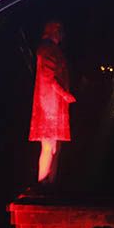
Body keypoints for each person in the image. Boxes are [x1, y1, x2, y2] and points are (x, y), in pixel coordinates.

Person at [29, 20, 75, 183]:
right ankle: (43, 183)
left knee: (53, 147)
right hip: (49, 104)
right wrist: (64, 94)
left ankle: (48, 182)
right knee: (48, 146)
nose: (61, 34)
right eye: (58, 30)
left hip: (54, 104)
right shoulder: (47, 50)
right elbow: (49, 77)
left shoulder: (52, 49)